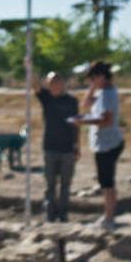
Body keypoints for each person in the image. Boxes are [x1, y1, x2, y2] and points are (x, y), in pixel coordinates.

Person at [72, 62, 124, 231]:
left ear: (101, 76)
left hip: (107, 144)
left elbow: (106, 121)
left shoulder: (108, 94)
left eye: (93, 79)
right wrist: (92, 89)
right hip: (105, 143)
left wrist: (83, 121)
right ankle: (108, 215)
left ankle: (109, 218)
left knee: (107, 183)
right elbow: (86, 104)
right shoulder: (103, 92)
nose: (91, 83)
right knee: (105, 182)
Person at [31, 71, 80, 222]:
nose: (54, 85)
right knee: (50, 185)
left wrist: (78, 146)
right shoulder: (46, 98)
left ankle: (63, 215)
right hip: (50, 148)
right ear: (48, 84)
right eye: (51, 82)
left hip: (67, 149)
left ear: (63, 83)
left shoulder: (72, 101)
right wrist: (29, 67)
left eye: (57, 82)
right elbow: (34, 85)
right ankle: (50, 215)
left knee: (66, 185)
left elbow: (76, 125)